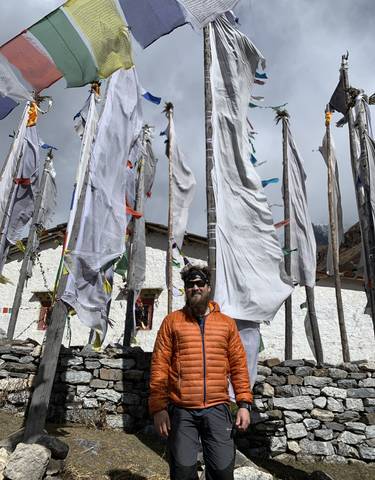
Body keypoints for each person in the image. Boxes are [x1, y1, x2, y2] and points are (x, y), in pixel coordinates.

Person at [149, 262, 253, 480]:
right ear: (185, 289)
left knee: (223, 472)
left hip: (217, 409)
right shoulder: (172, 322)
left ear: (208, 287)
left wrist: (244, 404)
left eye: (200, 283)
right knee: (183, 472)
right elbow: (159, 366)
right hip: (182, 410)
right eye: (190, 284)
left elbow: (238, 366)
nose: (195, 288)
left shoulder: (227, 324)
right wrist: (159, 408)